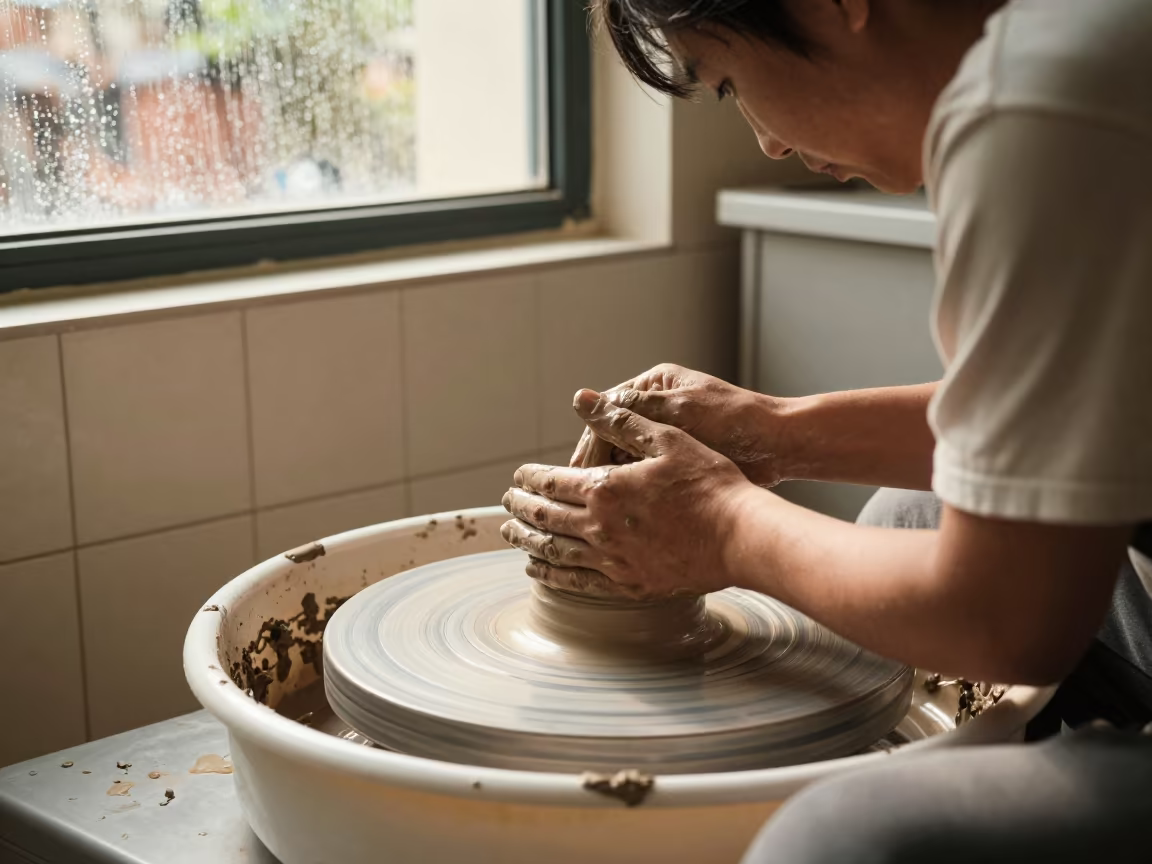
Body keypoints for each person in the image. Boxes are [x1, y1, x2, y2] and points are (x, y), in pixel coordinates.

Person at [500, 0, 1152, 860]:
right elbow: (1075, 420)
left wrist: (721, 528)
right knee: (902, 520)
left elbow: (1004, 618)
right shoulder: (1085, 42)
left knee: (839, 834)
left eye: (728, 83)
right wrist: (774, 429)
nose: (766, 142)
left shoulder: (1041, 107)